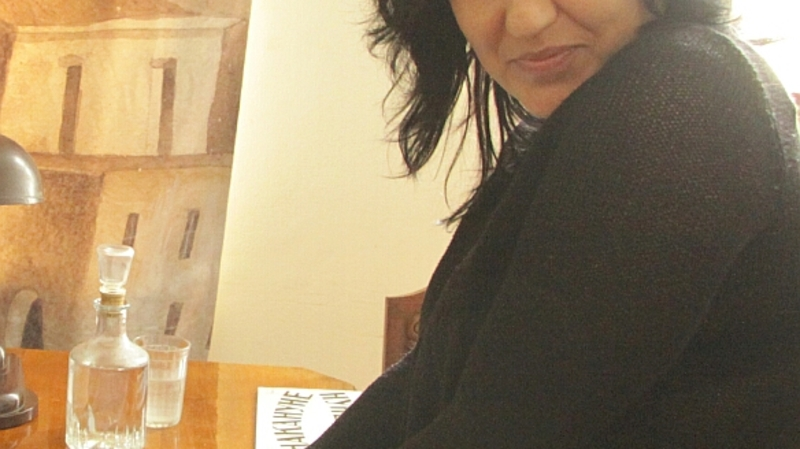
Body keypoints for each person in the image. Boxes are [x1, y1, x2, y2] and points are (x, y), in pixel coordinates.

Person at [310, 0, 800, 447]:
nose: (528, 19)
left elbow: (502, 430)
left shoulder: (685, 90)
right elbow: (427, 379)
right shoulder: (587, 107)